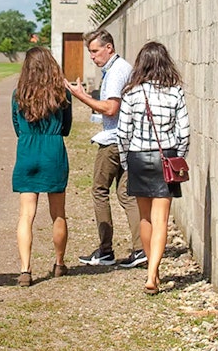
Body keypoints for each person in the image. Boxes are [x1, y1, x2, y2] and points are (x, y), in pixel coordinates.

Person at [65, 30, 145, 269]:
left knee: (100, 191)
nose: (91, 56)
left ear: (109, 48)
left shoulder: (117, 71)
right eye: (90, 51)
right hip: (127, 139)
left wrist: (81, 96)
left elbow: (110, 109)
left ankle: (106, 251)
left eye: (95, 51)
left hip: (113, 141)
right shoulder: (120, 68)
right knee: (126, 193)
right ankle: (141, 249)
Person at [116, 41, 189, 295]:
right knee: (161, 221)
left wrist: (126, 161)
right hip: (165, 158)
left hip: (137, 156)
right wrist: (178, 158)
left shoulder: (131, 93)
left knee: (145, 218)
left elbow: (123, 132)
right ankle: (152, 273)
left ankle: (152, 271)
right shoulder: (175, 92)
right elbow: (185, 132)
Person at [11, 47, 73, 287]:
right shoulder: (61, 95)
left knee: (26, 215)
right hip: (53, 152)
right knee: (58, 213)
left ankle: (25, 269)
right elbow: (66, 128)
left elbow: (17, 127)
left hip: (28, 151)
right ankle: (59, 262)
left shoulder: (18, 95)